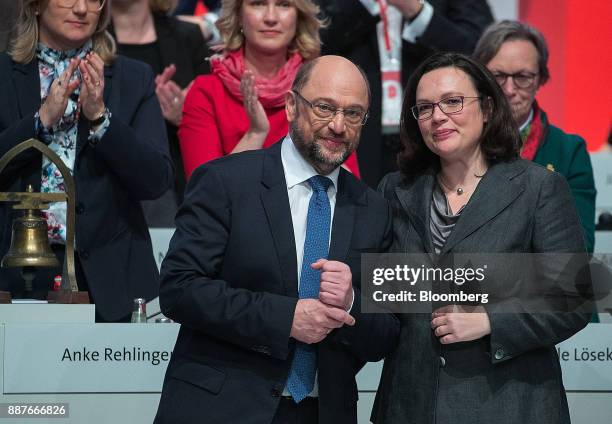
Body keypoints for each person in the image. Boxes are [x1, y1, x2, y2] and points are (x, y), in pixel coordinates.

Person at [154, 56, 399, 424]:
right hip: (221, 408)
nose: (337, 125)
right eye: (324, 107)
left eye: (353, 114)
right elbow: (179, 289)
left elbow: (385, 335)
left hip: (323, 412)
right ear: (290, 105)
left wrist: (351, 303)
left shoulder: (373, 209)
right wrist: (286, 319)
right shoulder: (226, 182)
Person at [372, 53, 591, 424]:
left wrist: (491, 319)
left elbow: (574, 297)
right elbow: (386, 293)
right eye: (424, 108)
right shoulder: (395, 189)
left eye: (453, 102)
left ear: (487, 108)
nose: (438, 116)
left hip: (509, 404)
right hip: (410, 403)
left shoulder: (538, 187)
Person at [0, 0, 173, 322]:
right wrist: (39, 122)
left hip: (113, 280)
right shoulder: (3, 74)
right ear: (36, 6)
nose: (81, 9)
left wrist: (101, 120)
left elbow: (155, 181)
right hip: (16, 275)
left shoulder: (133, 78)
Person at [315, 0, 493, 187]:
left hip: (431, 129)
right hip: (355, 131)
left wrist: (415, 10)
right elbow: (314, 42)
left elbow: (480, 52)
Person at [178, 0, 360, 180]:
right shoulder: (206, 92)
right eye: (258, 4)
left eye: (284, 5)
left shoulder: (322, 89)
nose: (271, 17)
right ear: (239, 15)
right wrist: (255, 134)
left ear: (298, 16)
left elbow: (349, 190)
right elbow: (205, 192)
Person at [473, 20, 597, 252]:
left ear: (541, 79)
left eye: (523, 77)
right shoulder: (458, 141)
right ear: (480, 79)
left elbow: (579, 247)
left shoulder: (568, 151)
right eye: (498, 75)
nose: (509, 90)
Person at [111, 0, 210, 227]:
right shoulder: (88, 39)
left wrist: (186, 115)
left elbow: (210, 118)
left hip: (178, 191)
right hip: (110, 192)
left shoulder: (188, 37)